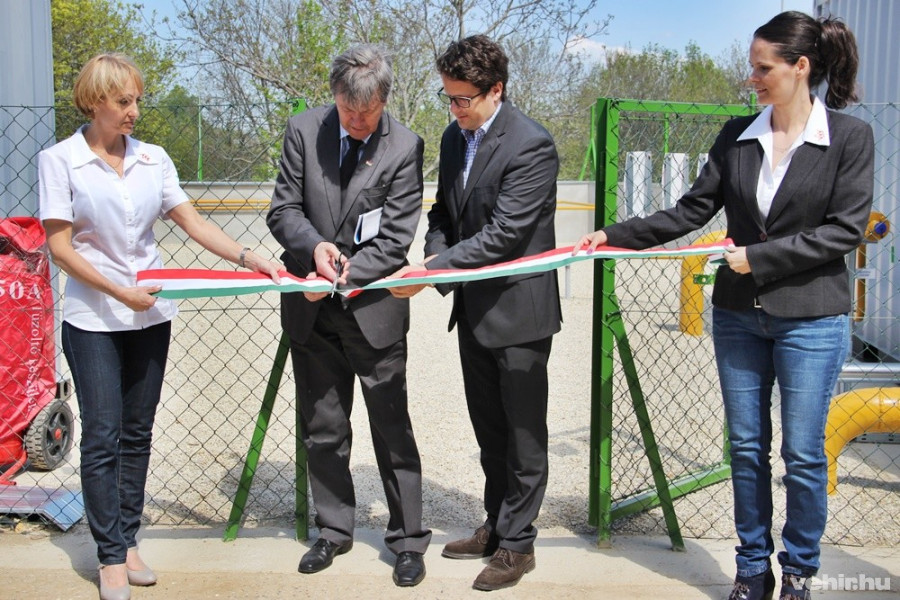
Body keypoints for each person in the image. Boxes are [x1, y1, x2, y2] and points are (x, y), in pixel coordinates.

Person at [574, 12, 872, 600]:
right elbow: (690, 211)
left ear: (800, 67)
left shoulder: (848, 138)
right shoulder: (738, 135)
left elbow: (844, 231)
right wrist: (614, 235)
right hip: (739, 316)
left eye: (762, 68)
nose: (751, 78)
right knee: (746, 448)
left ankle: (800, 572)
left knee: (802, 454)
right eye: (752, 67)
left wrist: (757, 259)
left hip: (812, 317)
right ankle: (752, 568)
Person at [38, 53, 281, 600]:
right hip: (93, 319)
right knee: (102, 435)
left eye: (137, 101)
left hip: (149, 316)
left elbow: (192, 222)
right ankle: (109, 557)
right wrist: (119, 290)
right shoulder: (60, 161)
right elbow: (60, 248)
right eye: (123, 101)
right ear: (94, 102)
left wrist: (250, 258)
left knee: (138, 433)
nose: (134, 111)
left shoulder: (154, 159)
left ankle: (127, 540)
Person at [390, 34, 561, 591]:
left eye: (463, 99)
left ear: (496, 91)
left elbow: (506, 233)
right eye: (448, 98)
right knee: (490, 431)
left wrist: (431, 271)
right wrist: (433, 254)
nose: (454, 109)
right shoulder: (453, 137)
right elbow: (444, 211)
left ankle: (519, 545)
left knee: (523, 435)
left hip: (520, 313)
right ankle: (497, 524)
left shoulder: (532, 145)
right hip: (473, 309)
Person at [266, 44, 431, 587]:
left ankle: (408, 540)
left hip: (373, 309)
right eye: (348, 111)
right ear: (333, 95)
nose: (358, 122)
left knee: (391, 426)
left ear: (385, 100)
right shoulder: (302, 131)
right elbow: (284, 209)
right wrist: (314, 249)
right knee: (323, 428)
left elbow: (397, 234)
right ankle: (333, 530)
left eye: (369, 113)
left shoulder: (405, 146)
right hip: (312, 311)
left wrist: (345, 274)